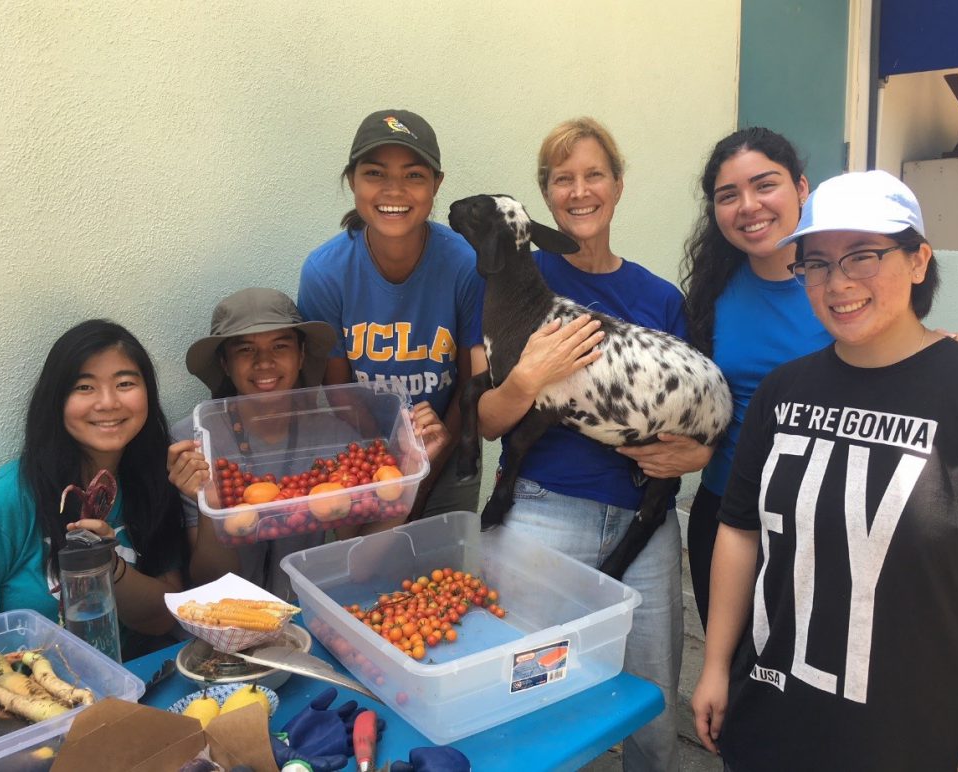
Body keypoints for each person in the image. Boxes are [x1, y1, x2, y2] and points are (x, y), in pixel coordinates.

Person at [690, 171, 958, 771]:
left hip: (914, 739)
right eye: (815, 263)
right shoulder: (781, 391)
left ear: (919, 261)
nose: (837, 283)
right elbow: (739, 530)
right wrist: (715, 666)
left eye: (863, 256)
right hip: (773, 720)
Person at [475, 117, 704, 772]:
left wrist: (684, 445)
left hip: (643, 523)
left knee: (651, 705)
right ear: (547, 194)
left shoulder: (660, 298)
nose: (580, 191)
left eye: (593, 174)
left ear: (618, 185)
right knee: (530, 704)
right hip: (543, 517)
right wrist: (528, 379)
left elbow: (685, 413)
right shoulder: (516, 284)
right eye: (562, 178)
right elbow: (488, 419)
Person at [168, 287, 443, 600]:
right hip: (225, 616)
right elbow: (210, 579)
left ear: (300, 355)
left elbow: (358, 564)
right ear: (225, 363)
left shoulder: (336, 436)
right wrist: (211, 503)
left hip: (303, 614)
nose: (264, 363)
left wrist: (411, 474)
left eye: (280, 346)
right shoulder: (194, 446)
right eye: (245, 350)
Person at [297, 109, 485, 534]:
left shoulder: (465, 265)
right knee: (364, 581)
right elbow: (338, 389)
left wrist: (427, 467)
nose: (394, 190)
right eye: (375, 173)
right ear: (352, 181)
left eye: (414, 175)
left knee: (442, 582)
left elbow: (470, 385)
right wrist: (396, 461)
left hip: (448, 447)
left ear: (437, 184)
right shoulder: (326, 271)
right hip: (363, 454)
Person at [680, 128, 831, 630]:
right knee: (733, 683)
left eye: (765, 185)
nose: (749, 206)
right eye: (728, 195)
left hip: (827, 520)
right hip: (726, 516)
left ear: (802, 188)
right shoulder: (710, 292)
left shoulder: (845, 288)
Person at [0, 320, 189, 659]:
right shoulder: (7, 500)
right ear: (57, 399)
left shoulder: (153, 478)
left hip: (133, 680)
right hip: (30, 698)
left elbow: (161, 618)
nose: (108, 402)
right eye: (84, 387)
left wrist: (106, 564)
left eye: (125, 383)